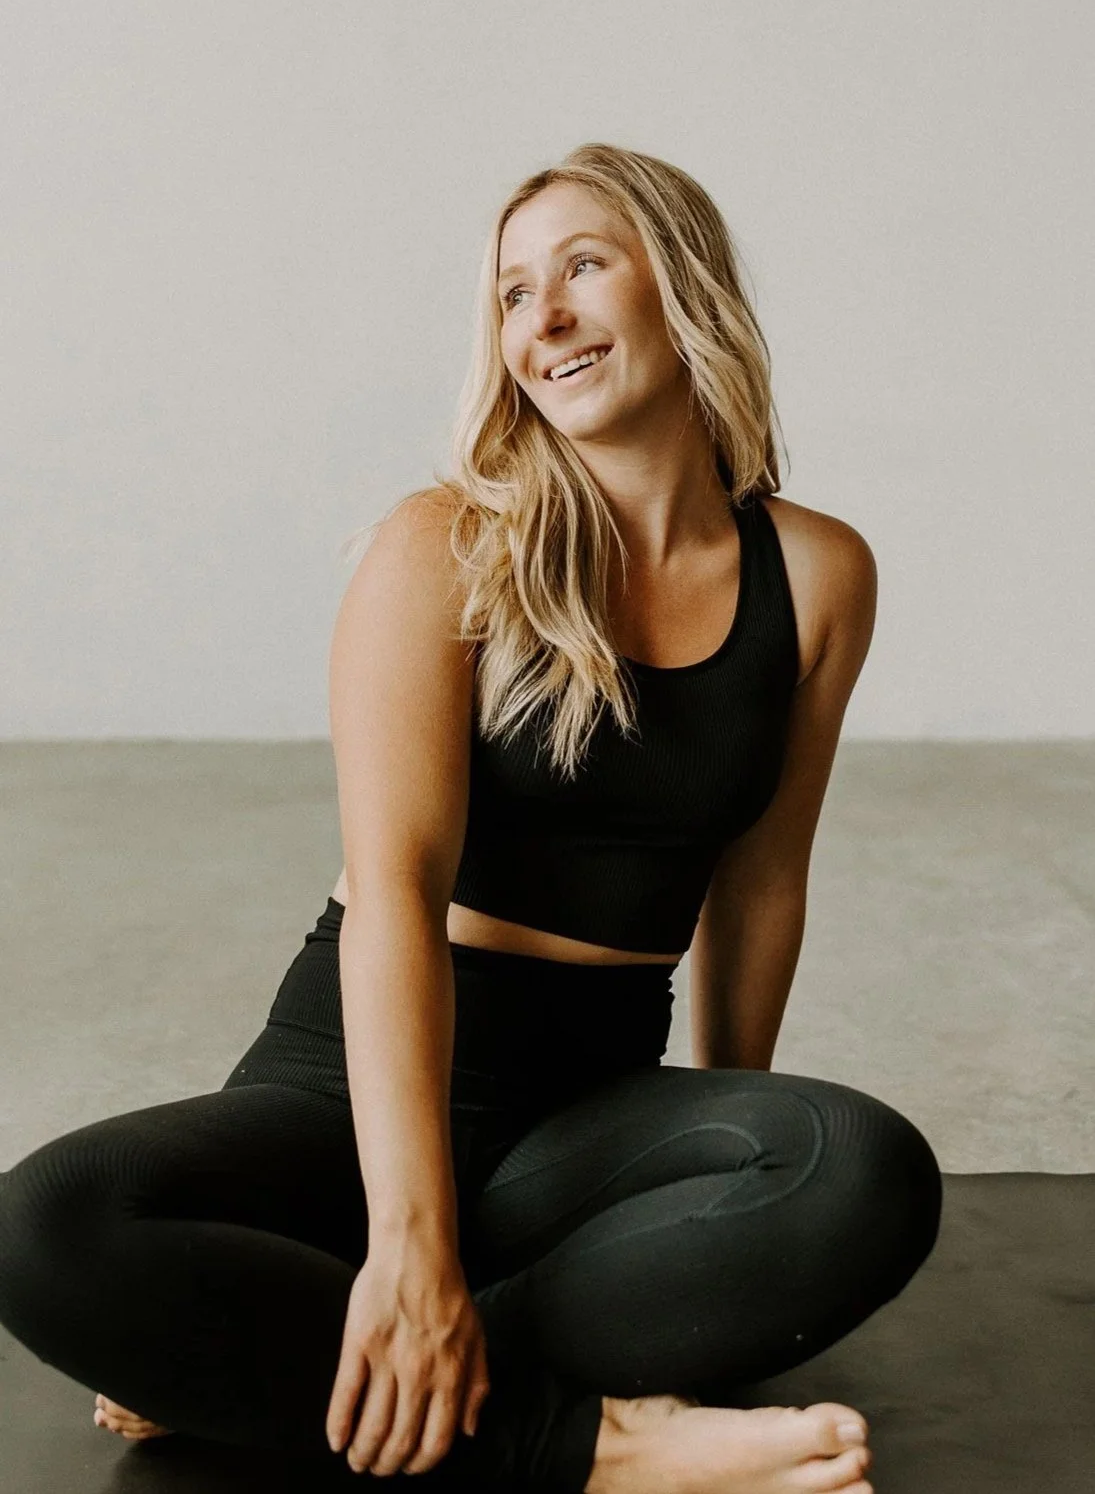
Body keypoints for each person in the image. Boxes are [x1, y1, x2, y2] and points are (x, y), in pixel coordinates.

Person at [0, 142, 942, 1494]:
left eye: (581, 267)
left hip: (588, 1107)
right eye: (510, 292)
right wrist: (409, 1244)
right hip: (358, 1089)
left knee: (858, 1171)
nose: (541, 318)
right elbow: (393, 891)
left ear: (684, 287)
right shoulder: (442, 545)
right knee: (47, 1226)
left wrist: (723, 1149)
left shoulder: (818, 572)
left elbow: (760, 883)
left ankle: (281, 1355)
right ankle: (580, 1442)